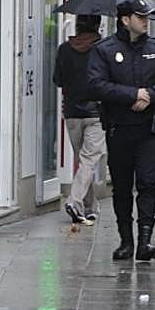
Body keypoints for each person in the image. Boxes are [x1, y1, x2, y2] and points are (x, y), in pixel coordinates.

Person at [87, 0, 155, 262]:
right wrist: (132, 95)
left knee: (148, 184)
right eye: (140, 18)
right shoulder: (104, 50)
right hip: (119, 127)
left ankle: (145, 241)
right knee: (122, 186)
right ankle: (126, 241)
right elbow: (95, 85)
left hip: (150, 128)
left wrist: (149, 95)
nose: (145, 22)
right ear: (125, 20)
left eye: (147, 18)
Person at [54, 14, 105, 227]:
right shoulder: (103, 49)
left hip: (72, 112)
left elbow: (57, 80)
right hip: (96, 113)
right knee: (88, 161)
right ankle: (75, 202)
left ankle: (90, 208)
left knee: (84, 161)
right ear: (97, 25)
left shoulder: (65, 49)